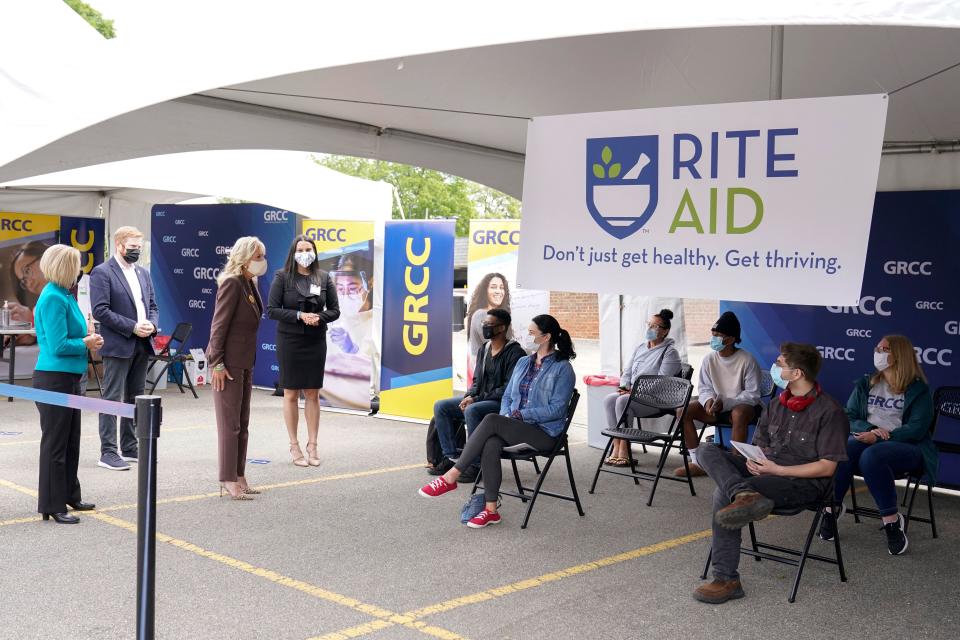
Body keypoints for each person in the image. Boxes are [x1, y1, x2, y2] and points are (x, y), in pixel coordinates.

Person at [694, 342, 848, 604]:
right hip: (765, 471)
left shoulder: (829, 412)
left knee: (723, 491)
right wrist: (753, 460)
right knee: (705, 450)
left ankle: (726, 578)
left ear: (796, 373)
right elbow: (760, 446)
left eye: (779, 364)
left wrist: (777, 469)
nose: (774, 369)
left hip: (802, 483)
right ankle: (743, 492)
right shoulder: (776, 405)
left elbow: (827, 467)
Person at [418, 314, 576, 528]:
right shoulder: (523, 362)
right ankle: (491, 510)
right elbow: (508, 397)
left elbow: (557, 410)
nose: (525, 336)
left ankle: (450, 477)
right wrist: (508, 414)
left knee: (492, 420)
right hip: (518, 427)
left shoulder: (562, 368)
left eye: (531, 333)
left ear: (546, 336)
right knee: (491, 442)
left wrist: (520, 415)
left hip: (545, 433)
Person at [819, 335, 936, 555]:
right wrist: (871, 430)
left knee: (872, 456)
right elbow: (849, 415)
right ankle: (830, 509)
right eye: (877, 348)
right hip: (869, 439)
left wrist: (884, 437)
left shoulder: (919, 390)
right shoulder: (867, 383)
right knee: (841, 449)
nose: (878, 353)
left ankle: (892, 522)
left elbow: (917, 430)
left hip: (907, 447)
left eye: (884, 349)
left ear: (898, 355)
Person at [32, 244, 103, 523]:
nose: (79, 271)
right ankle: (51, 504)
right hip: (54, 378)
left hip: (70, 377)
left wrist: (89, 339)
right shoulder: (53, 298)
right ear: (65, 268)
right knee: (56, 443)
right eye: (75, 265)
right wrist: (86, 342)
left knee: (71, 440)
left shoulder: (64, 294)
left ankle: (70, 495)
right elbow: (59, 345)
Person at [90, 227, 159, 471]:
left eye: (140, 247)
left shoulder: (143, 273)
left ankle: (129, 447)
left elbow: (152, 305)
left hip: (142, 342)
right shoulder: (102, 272)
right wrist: (132, 327)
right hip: (119, 343)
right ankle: (108, 451)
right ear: (119, 245)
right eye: (132, 247)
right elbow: (100, 310)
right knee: (111, 398)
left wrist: (151, 324)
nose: (137, 251)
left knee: (135, 397)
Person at [267, 235, 340, 467]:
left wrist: (318, 317)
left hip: (315, 340)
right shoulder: (282, 277)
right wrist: (299, 316)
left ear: (315, 252)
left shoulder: (324, 277)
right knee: (290, 393)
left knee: (312, 393)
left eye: (309, 248)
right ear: (294, 252)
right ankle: (294, 445)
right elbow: (272, 310)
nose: (305, 252)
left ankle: (313, 445)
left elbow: (335, 310)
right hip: (290, 340)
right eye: (301, 249)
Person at [429, 308, 525, 481]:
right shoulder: (484, 348)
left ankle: (475, 464)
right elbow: (476, 380)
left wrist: (476, 399)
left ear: (502, 328)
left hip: (500, 403)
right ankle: (452, 458)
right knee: (441, 406)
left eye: (490, 325)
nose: (485, 328)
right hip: (479, 399)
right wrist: (469, 395)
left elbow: (508, 389)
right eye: (484, 324)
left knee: (473, 410)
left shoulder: (515, 353)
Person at [207, 237, 267, 500]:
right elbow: (218, 326)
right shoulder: (232, 283)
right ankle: (227, 478)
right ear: (244, 258)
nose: (262, 261)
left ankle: (240, 475)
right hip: (228, 364)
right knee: (229, 425)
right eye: (258, 256)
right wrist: (216, 362)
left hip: (245, 361)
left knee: (242, 424)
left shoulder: (248, 283)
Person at [677, 311, 761, 477]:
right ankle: (697, 462)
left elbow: (753, 395)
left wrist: (726, 403)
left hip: (743, 409)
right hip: (715, 409)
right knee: (683, 411)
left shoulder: (747, 359)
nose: (713, 338)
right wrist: (708, 401)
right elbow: (704, 387)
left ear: (730, 339)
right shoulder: (709, 359)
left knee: (739, 413)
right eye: (713, 334)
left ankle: (736, 466)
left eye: (718, 335)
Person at [603, 309, 682, 466]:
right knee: (609, 399)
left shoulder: (670, 352)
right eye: (649, 324)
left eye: (655, 326)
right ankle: (616, 444)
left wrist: (634, 391)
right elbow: (627, 371)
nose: (650, 329)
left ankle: (625, 450)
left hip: (657, 400)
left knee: (622, 402)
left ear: (665, 331)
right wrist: (625, 386)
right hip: (633, 395)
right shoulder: (640, 347)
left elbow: (662, 382)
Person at [328, 253, 373, 359]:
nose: (345, 296)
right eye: (340, 289)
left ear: (370, 284)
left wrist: (351, 349)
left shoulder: (377, 322)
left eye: (352, 289)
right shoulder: (332, 316)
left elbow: (373, 370)